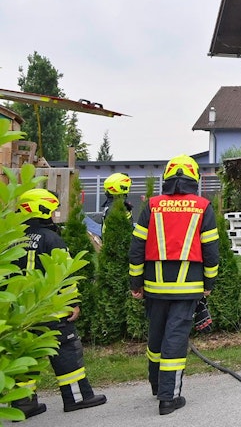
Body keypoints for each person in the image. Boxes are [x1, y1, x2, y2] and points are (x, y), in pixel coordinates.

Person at [129, 155, 219, 415]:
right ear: (194, 179)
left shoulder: (153, 206)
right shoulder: (203, 206)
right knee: (176, 340)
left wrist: (136, 282)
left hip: (155, 286)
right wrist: (209, 282)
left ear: (166, 179)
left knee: (156, 337)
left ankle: (157, 386)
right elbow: (210, 250)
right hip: (188, 286)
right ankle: (169, 397)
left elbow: (137, 247)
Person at [9, 189, 107, 418]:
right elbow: (63, 274)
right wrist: (72, 302)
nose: (53, 215)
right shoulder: (52, 239)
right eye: (51, 211)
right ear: (42, 210)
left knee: (26, 354)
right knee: (66, 351)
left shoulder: (11, 238)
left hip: (20, 312)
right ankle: (77, 397)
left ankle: (24, 404)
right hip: (50, 309)